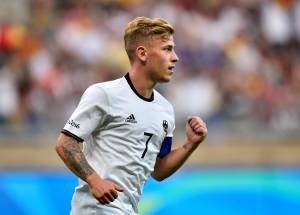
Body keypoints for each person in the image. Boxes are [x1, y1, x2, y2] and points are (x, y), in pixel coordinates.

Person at [55, 16, 208, 215]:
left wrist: (190, 144)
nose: (175, 57)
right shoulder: (104, 94)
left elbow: (159, 170)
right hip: (95, 210)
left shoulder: (165, 110)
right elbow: (65, 143)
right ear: (142, 53)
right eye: (167, 49)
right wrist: (95, 181)